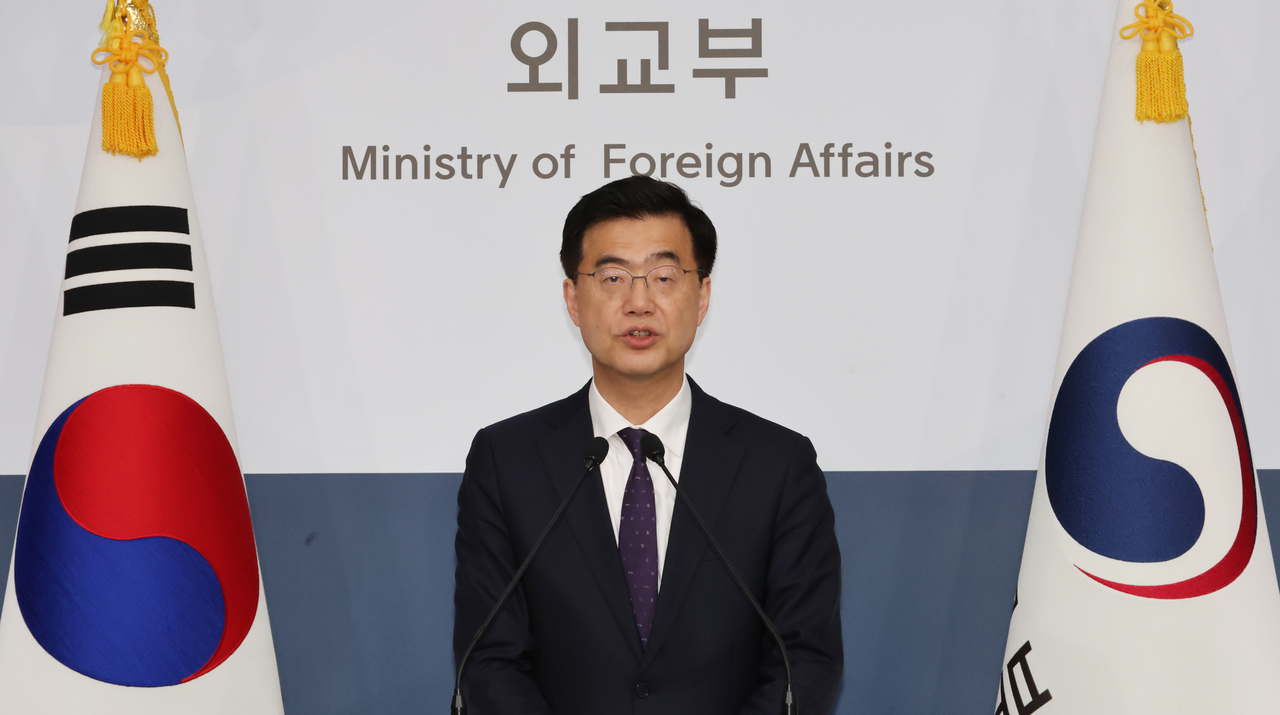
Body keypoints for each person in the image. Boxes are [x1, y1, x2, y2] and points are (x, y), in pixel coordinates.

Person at [453, 176, 843, 715]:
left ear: (702, 296)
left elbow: (804, 659)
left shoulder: (777, 465)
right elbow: (489, 661)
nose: (639, 302)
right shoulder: (507, 461)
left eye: (664, 277)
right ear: (573, 298)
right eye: (612, 277)